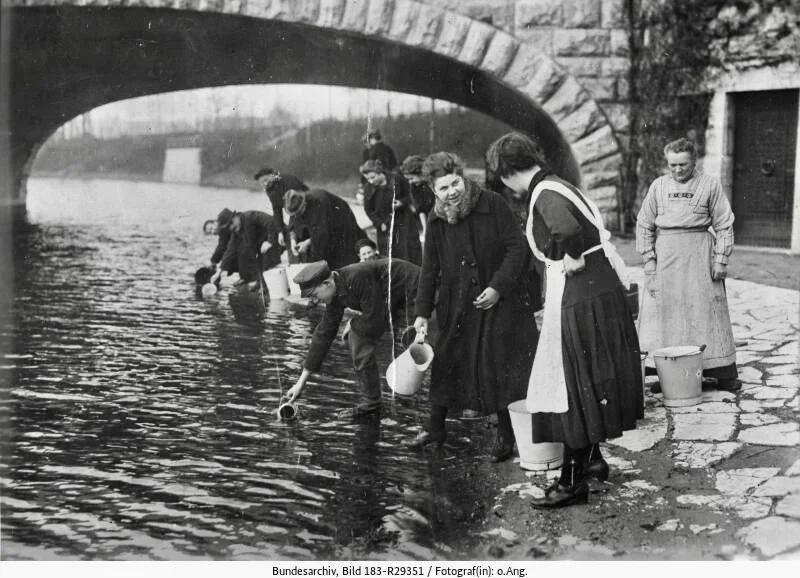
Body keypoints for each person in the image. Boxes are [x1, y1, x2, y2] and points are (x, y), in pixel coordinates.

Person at [486, 132, 643, 508]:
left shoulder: (545, 195)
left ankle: (571, 483)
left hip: (582, 295)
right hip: (599, 291)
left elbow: (567, 230)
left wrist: (572, 254)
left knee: (570, 385)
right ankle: (591, 460)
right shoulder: (560, 184)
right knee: (589, 379)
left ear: (506, 174)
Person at [410, 152, 539, 463]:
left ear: (463, 177)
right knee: (446, 362)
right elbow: (430, 269)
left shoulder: (492, 203)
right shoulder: (437, 218)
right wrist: (421, 315)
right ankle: (435, 428)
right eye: (443, 188)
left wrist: (497, 286)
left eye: (455, 183)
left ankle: (506, 435)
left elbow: (517, 248)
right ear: (433, 190)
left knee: (498, 365)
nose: (451, 192)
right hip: (457, 305)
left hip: (500, 302)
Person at [636, 137, 739, 392]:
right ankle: (668, 374)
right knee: (665, 316)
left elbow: (724, 224)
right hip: (666, 257)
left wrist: (721, 259)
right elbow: (644, 225)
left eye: (683, 164)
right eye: (672, 165)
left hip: (700, 255)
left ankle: (721, 373)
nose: (677, 170)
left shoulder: (710, 185)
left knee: (705, 313)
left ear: (694, 161)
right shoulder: (658, 186)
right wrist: (649, 262)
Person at [282, 258, 421, 420]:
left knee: (362, 337)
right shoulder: (336, 288)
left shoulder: (357, 277)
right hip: (395, 302)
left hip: (416, 293)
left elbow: (376, 318)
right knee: (359, 337)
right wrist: (301, 383)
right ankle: (375, 404)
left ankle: (379, 403)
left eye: (313, 295)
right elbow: (323, 334)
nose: (314, 301)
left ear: (327, 284)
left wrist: (354, 322)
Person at [284, 188, 367, 270]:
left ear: (304, 205)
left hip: (341, 225)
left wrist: (308, 242)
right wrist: (293, 240)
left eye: (299, 212)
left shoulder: (319, 201)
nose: (297, 216)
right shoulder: (295, 205)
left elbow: (323, 232)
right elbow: (293, 224)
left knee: (342, 259)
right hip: (323, 229)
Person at [360, 159, 422, 265]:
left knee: (409, 250)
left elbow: (411, 195)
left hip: (404, 221)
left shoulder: (397, 179)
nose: (370, 181)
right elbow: (368, 209)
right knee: (389, 253)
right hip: (385, 225)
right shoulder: (369, 188)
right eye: (368, 178)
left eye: (372, 177)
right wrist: (379, 223)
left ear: (380, 172)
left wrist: (402, 202)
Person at [209, 208, 283, 291]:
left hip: (279, 237)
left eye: (231, 223)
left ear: (235, 217)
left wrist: (270, 241)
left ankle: (264, 285)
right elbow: (230, 250)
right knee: (242, 250)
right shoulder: (236, 231)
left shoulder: (250, 216)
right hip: (263, 245)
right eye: (228, 227)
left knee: (264, 257)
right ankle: (253, 280)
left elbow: (271, 222)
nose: (231, 227)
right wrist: (218, 273)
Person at [254, 167, 308, 244]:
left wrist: (293, 227)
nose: (265, 184)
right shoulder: (270, 190)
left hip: (305, 206)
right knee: (292, 236)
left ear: (272, 175)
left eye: (266, 180)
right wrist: (280, 232)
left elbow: (298, 203)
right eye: (261, 182)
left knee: (296, 233)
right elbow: (277, 211)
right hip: (294, 212)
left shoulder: (288, 179)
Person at [399, 154, 436, 241]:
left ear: (422, 173)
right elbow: (420, 210)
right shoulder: (414, 187)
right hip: (430, 219)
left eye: (411, 178)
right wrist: (425, 228)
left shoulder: (434, 184)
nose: (410, 182)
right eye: (408, 179)